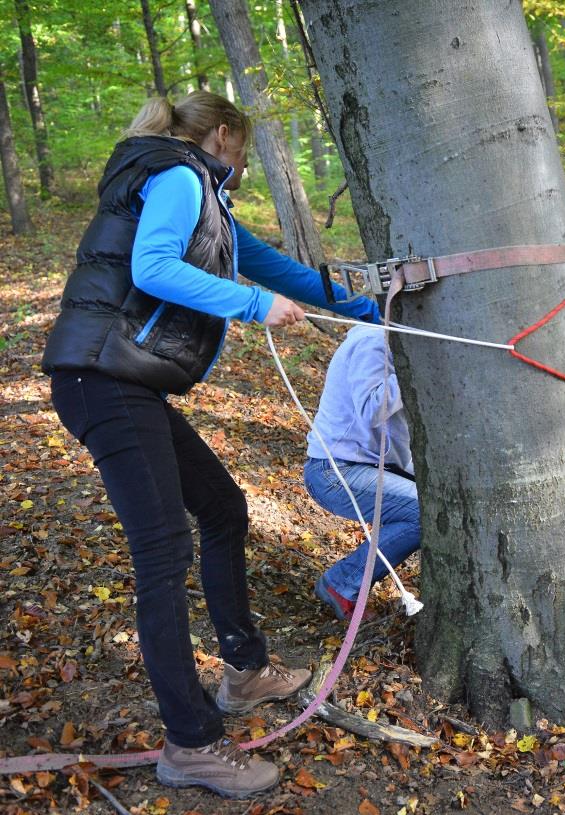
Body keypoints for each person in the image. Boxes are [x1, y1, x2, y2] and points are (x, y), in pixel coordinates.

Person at [40, 91, 383, 798]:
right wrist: (254, 306)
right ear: (222, 136)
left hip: (122, 379)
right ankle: (190, 743)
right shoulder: (179, 177)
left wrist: (376, 304)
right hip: (102, 378)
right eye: (244, 149)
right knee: (163, 552)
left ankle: (244, 670)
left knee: (224, 508)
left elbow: (282, 271)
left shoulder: (213, 210)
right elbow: (153, 268)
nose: (244, 163)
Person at [306, 324, 422, 622]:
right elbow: (373, 409)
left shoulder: (397, 345)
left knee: (430, 502)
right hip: (335, 472)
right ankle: (341, 584)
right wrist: (424, 367)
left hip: (366, 467)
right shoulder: (371, 342)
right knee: (425, 512)